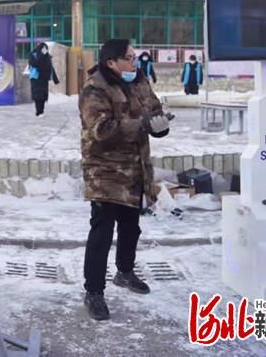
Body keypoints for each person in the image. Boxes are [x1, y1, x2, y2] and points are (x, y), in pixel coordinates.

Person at [79, 38, 171, 321]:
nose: (135, 62)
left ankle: (125, 272)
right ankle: (94, 292)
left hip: (135, 169)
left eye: (135, 57)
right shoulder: (95, 89)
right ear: (112, 62)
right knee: (102, 234)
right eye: (129, 58)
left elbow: (152, 110)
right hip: (104, 172)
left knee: (131, 227)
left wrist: (159, 125)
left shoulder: (140, 81)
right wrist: (140, 125)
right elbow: (101, 130)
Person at [27, 41, 59, 117]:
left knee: (43, 97)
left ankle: (41, 111)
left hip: (44, 79)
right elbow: (35, 63)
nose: (45, 51)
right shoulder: (33, 55)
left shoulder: (47, 57)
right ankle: (38, 112)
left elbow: (51, 67)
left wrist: (55, 79)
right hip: (36, 78)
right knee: (38, 96)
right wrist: (41, 57)